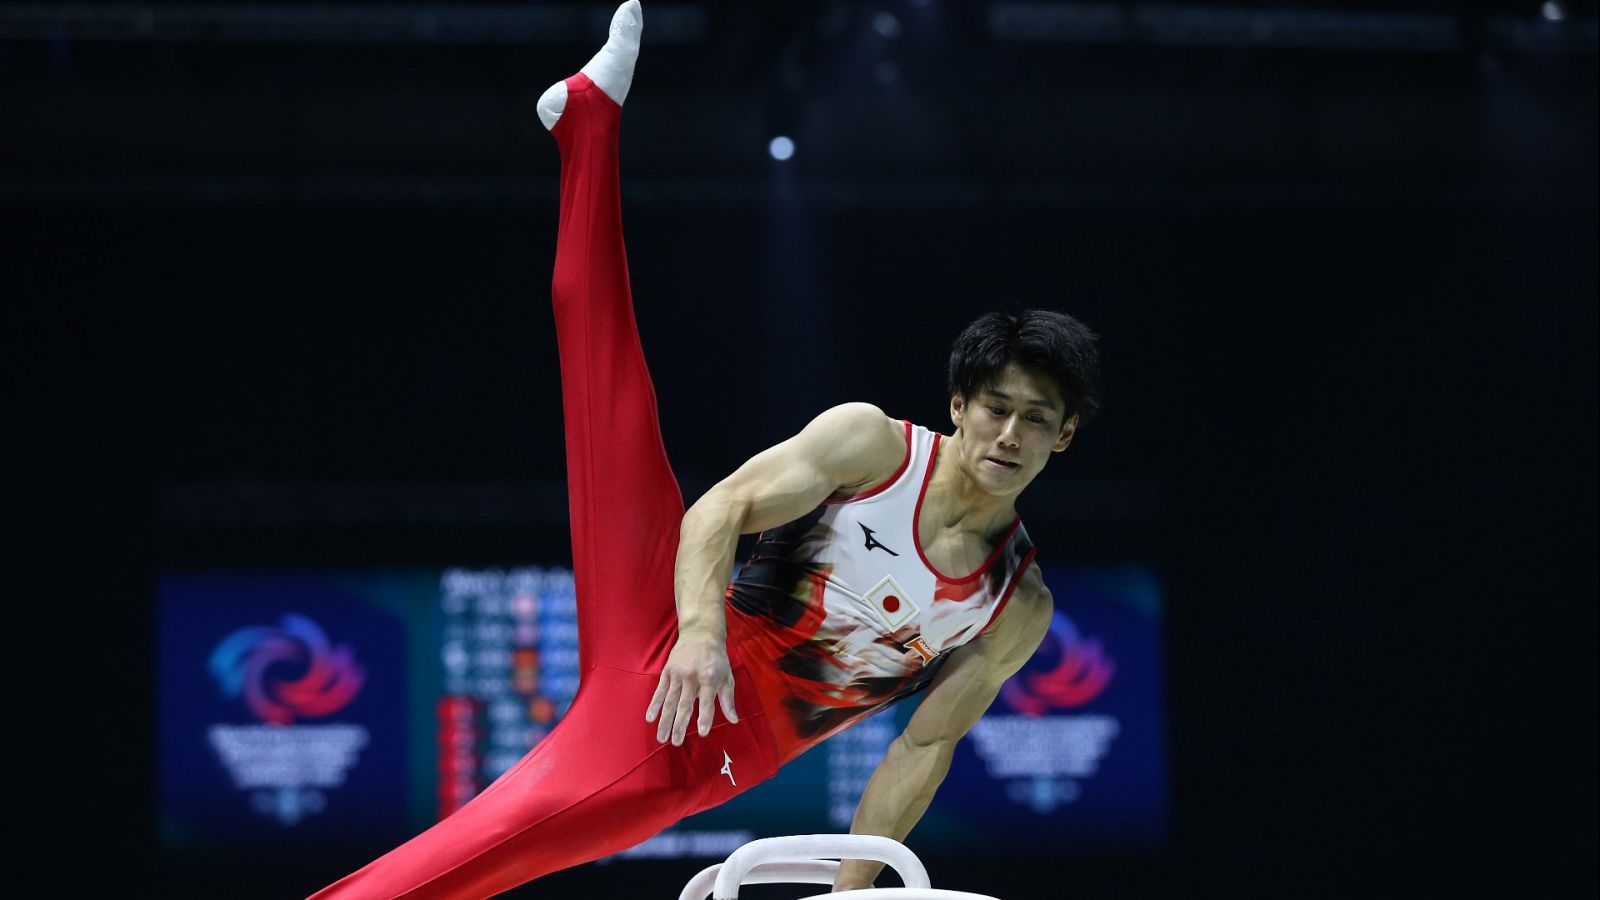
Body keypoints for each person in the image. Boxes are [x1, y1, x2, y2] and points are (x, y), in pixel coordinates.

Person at [310, 3, 1100, 897]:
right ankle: (589, 122)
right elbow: (718, 509)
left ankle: (585, 127)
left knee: (477, 857)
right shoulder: (872, 446)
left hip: (707, 742)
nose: (1009, 434)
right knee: (613, 394)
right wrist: (697, 635)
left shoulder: (1012, 605)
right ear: (958, 403)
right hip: (680, 665)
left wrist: (850, 890)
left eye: (1036, 419)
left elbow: (926, 746)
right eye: (996, 407)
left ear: (1064, 437)